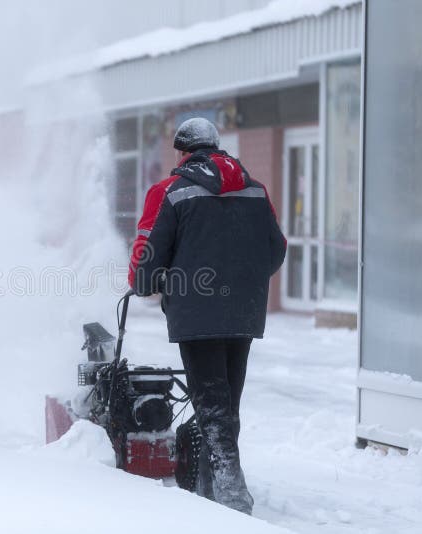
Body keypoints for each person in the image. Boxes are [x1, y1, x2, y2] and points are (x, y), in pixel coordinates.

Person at [128, 117, 286, 514]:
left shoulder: (177, 193)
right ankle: (206, 493)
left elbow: (149, 263)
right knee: (225, 405)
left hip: (197, 315)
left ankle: (232, 500)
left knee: (213, 407)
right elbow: (276, 249)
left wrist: (152, 282)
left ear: (183, 153)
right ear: (217, 149)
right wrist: (242, 282)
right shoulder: (254, 189)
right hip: (244, 314)